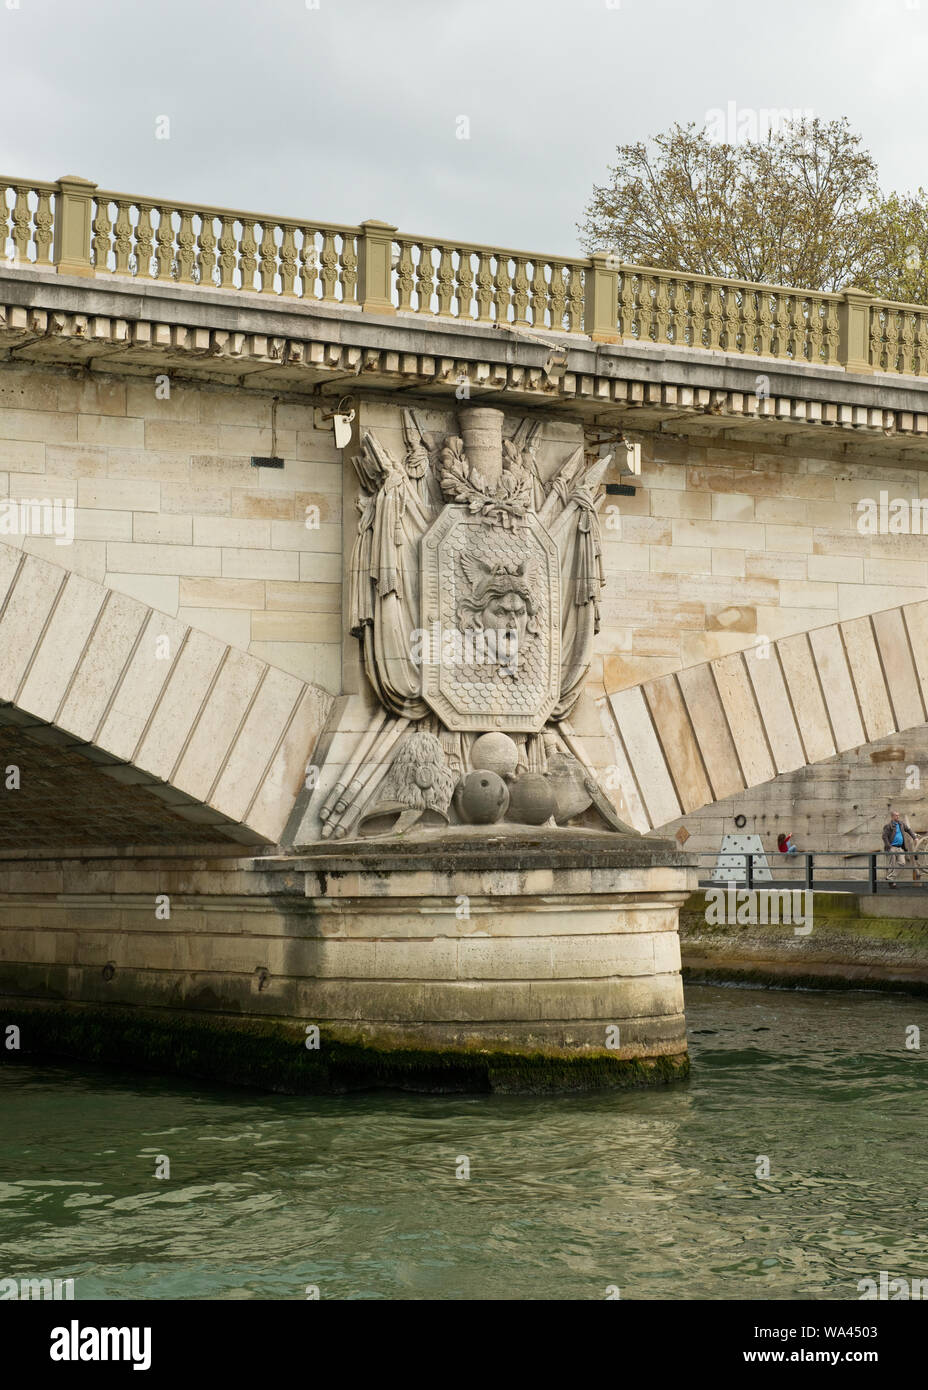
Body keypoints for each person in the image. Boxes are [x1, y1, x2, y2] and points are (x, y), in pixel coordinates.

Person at [882, 810, 923, 886]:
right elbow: (884, 837)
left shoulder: (901, 824)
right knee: (892, 865)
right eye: (896, 815)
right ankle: (891, 882)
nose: (898, 817)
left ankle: (890, 878)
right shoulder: (888, 826)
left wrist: (915, 838)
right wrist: (889, 846)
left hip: (900, 848)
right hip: (892, 848)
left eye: (898, 815)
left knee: (902, 863)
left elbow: (909, 830)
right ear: (892, 816)